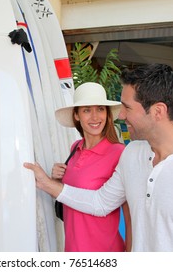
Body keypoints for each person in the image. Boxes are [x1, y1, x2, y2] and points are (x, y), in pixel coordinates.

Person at [24, 63, 173, 251]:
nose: (121, 115)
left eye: (127, 107)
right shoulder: (133, 154)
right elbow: (100, 202)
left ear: (158, 111)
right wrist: (46, 183)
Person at [50, 82, 131, 252]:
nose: (95, 117)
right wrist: (57, 179)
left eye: (100, 109)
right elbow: (70, 194)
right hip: (72, 249)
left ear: (107, 114)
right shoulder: (75, 148)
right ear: (77, 115)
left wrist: (130, 254)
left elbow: (129, 211)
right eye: (87, 110)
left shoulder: (119, 153)